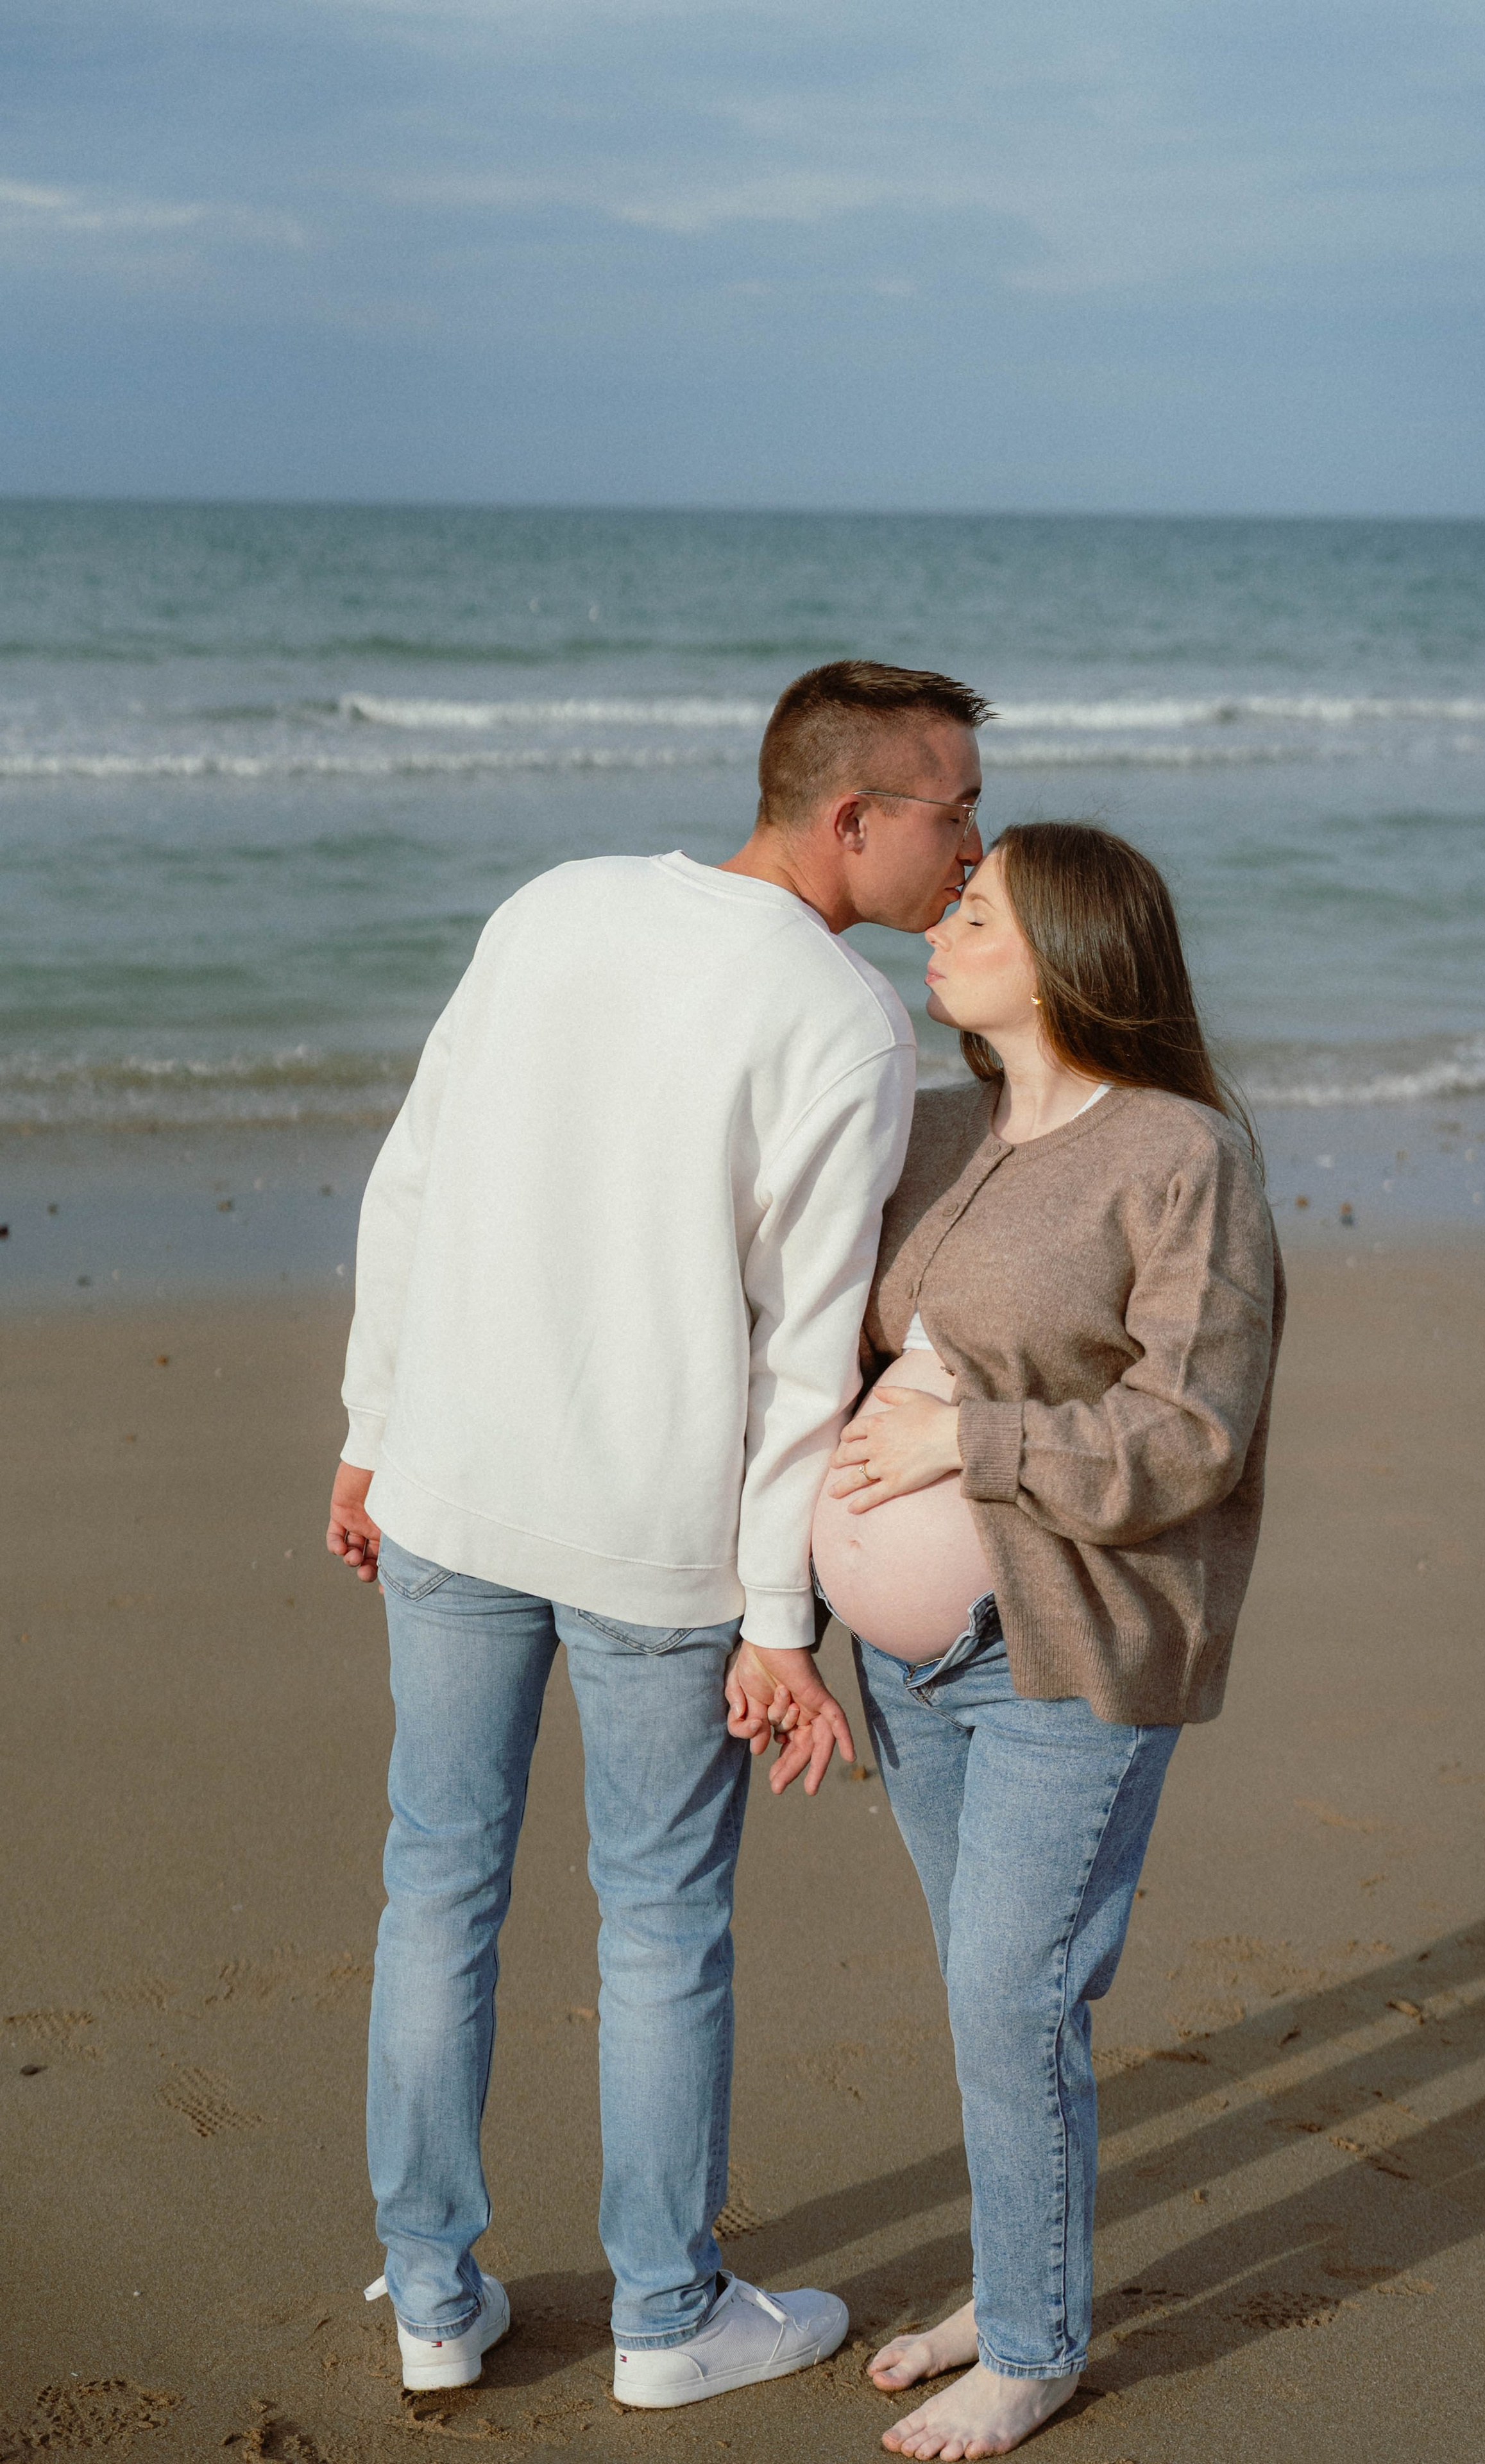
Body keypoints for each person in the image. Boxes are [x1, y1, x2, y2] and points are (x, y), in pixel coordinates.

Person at [325, 660, 989, 2399]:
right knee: (659, 1923)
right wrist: (782, 1619)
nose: (975, 847)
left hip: (456, 1487)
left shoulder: (555, 905)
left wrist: (371, 1430)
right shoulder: (850, 1022)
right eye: (957, 808)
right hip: (660, 1546)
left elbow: (413, 1173)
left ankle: (430, 2302)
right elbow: (801, 1352)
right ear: (854, 816)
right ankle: (666, 2319)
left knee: (436, 1886)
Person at [742, 821, 1283, 2458]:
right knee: (1004, 1996)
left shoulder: (1177, 1155)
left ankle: (1035, 2346)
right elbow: (816, 1353)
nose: (944, 924)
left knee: (1009, 1993)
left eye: (979, 911)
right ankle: (1014, 2279)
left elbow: (1193, 1431)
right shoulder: (925, 1127)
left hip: (1067, 1650)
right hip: (906, 1668)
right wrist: (788, 1610)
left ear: (1070, 951)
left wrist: (964, 1446)